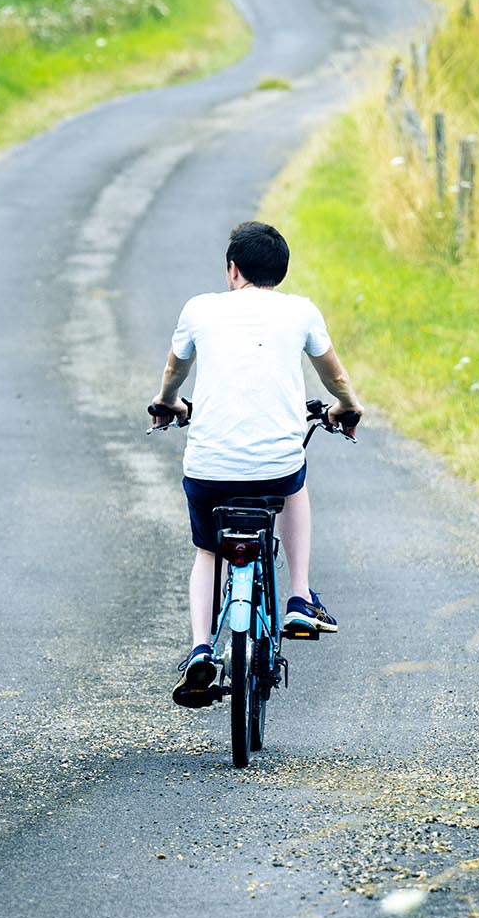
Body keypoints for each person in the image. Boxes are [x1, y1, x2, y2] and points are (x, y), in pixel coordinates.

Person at [149, 220, 363, 707]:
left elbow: (173, 371)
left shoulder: (199, 309)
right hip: (275, 466)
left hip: (208, 469)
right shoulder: (301, 312)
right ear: (280, 273)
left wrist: (166, 402)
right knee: (293, 484)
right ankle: (299, 597)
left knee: (208, 552)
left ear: (233, 269)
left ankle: (202, 647)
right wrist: (348, 407)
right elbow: (334, 376)